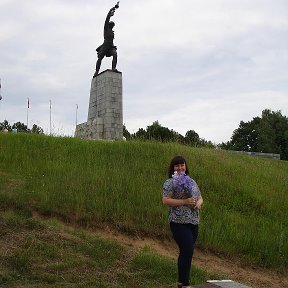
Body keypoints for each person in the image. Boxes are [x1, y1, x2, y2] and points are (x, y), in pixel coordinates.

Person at [162, 156, 203, 288]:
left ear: (186, 166)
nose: (180, 168)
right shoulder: (170, 182)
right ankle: (183, 283)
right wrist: (185, 202)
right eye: (177, 166)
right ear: (173, 168)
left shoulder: (192, 181)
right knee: (187, 249)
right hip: (178, 221)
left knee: (188, 252)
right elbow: (166, 200)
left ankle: (183, 282)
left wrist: (197, 204)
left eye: (182, 165)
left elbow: (201, 198)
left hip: (193, 222)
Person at [93, 2, 119, 78]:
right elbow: (107, 19)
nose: (112, 26)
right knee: (100, 58)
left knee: (115, 55)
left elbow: (112, 41)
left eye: (113, 25)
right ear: (109, 25)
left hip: (111, 46)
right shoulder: (106, 29)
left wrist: (113, 46)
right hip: (105, 46)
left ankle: (113, 68)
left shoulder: (112, 32)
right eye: (111, 24)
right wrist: (112, 10)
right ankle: (96, 71)